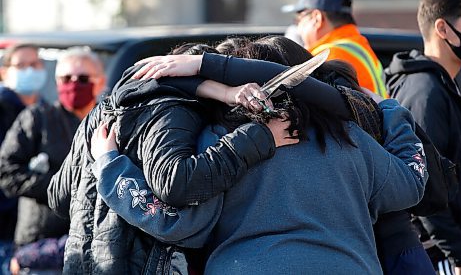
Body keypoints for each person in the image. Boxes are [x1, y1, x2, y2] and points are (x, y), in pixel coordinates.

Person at [90, 46, 428, 273]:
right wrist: (391, 110)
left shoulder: (219, 142)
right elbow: (411, 183)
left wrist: (110, 167)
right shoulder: (350, 139)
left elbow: (179, 223)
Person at [47, 42, 355, 273]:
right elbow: (177, 183)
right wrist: (260, 137)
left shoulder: (101, 114)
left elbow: (59, 196)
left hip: (81, 264)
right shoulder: (175, 109)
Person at [384, 0, 461, 274]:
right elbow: (423, 182)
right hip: (442, 257)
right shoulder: (425, 92)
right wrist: (459, 254)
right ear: (442, 29)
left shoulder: (442, 85)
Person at [0, 46, 106, 274]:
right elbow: (6, 172)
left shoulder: (109, 122)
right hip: (39, 249)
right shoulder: (36, 118)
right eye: (67, 78)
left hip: (96, 246)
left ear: (100, 82)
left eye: (83, 78)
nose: (74, 83)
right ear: (57, 82)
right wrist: (60, 186)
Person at [282, 0, 388, 98]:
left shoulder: (326, 57)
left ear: (317, 18)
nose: (298, 27)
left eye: (298, 19)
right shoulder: (359, 47)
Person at [0, 43, 47, 273]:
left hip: (37, 232)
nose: (29, 71)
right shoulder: (3, 110)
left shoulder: (47, 110)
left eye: (34, 64)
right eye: (21, 65)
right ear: (4, 71)